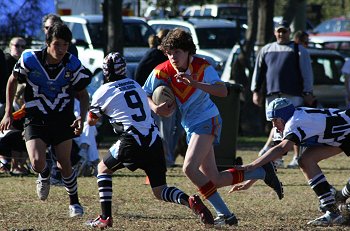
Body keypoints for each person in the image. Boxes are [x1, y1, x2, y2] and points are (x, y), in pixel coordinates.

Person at [143, 28, 284, 227]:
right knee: (213, 179)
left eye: (177, 52)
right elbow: (145, 93)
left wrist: (196, 83)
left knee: (189, 168)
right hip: (190, 125)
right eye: (169, 52)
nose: (173, 56)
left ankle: (226, 215)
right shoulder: (162, 70)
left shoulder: (203, 66)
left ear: (188, 52)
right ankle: (260, 172)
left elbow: (223, 90)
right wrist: (155, 107)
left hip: (208, 120)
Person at [85, 52, 213, 228]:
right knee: (160, 190)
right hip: (154, 141)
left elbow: (92, 119)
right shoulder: (136, 85)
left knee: (102, 169)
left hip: (131, 140)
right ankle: (188, 200)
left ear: (106, 72)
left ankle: (105, 217)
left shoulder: (102, 91)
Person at [0, 23, 91, 217]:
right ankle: (43, 174)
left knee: (65, 163)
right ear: (48, 43)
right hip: (35, 116)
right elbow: (12, 80)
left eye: (65, 45)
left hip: (62, 117)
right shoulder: (30, 59)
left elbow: (83, 95)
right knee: (37, 161)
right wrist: (8, 111)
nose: (61, 49)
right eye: (57, 44)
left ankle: (74, 203)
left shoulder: (72, 64)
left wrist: (81, 118)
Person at [233, 97, 350, 226]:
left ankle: (340, 198)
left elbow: (281, 148)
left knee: (306, 160)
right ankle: (332, 210)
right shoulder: (285, 124)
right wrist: (250, 182)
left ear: (283, 117)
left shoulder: (295, 121)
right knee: (305, 160)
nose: (273, 125)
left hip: (345, 132)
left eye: (275, 120)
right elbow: (273, 157)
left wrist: (251, 165)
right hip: (340, 137)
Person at [251, 20, 314, 168]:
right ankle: (277, 157)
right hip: (273, 94)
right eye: (279, 31)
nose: (281, 34)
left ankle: (297, 157)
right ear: (274, 32)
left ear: (289, 32)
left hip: (293, 94)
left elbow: (307, 73)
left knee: (294, 126)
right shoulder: (266, 49)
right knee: (277, 127)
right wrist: (256, 91)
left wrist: (308, 92)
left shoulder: (299, 50)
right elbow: (258, 73)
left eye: (284, 31)